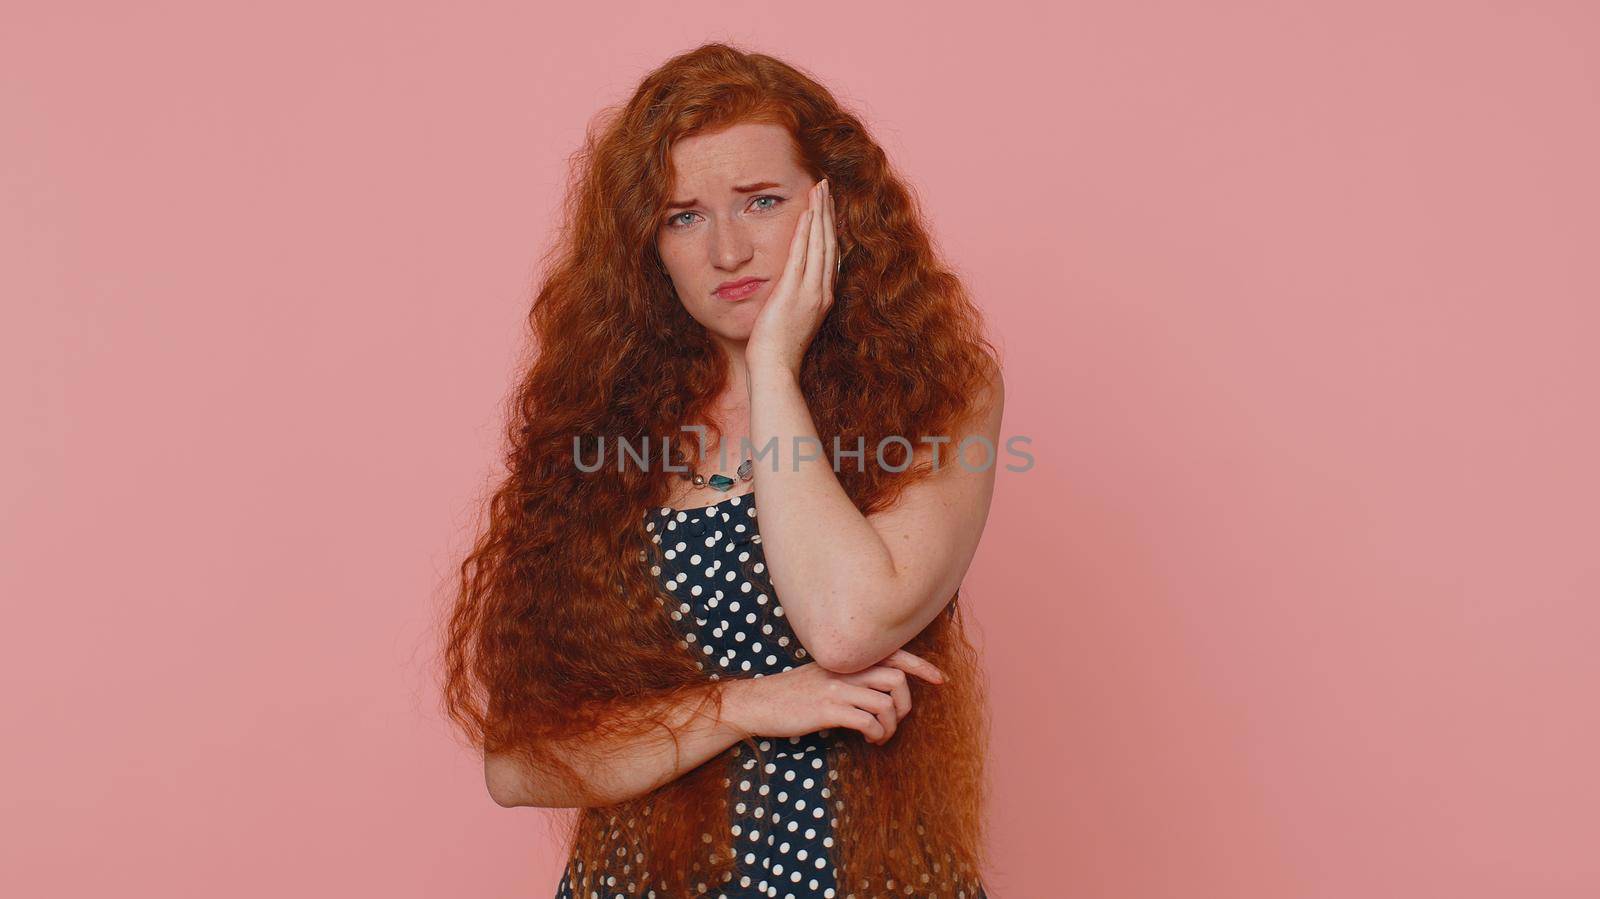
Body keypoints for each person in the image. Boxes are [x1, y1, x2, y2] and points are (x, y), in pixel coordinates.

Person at [441, 42, 1004, 899]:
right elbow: (519, 765)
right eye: (683, 217)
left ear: (835, 206)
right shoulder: (601, 427)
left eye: (762, 201)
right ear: (647, 244)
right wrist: (748, 705)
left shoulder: (934, 392)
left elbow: (849, 624)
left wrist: (773, 365)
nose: (729, 250)